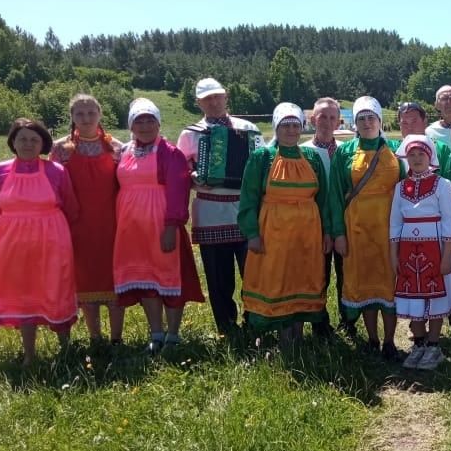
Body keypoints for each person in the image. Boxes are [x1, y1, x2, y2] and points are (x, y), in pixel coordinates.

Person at [0, 118, 79, 367]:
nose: (28, 144)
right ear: (13, 142)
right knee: (24, 294)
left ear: (43, 143)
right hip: (13, 243)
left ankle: (66, 348)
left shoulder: (57, 171)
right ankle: (29, 355)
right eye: (22, 139)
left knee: (56, 290)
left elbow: (71, 208)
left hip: (52, 240)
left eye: (34, 140)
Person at [114, 99, 204, 353]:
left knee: (168, 275)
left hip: (161, 222)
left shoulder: (169, 153)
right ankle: (156, 332)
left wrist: (171, 226)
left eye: (149, 120)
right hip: (131, 227)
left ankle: (173, 335)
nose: (144, 126)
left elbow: (178, 191)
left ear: (158, 122)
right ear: (131, 125)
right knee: (145, 279)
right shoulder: (124, 151)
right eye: (138, 121)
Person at [239, 103, 330, 349]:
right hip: (273, 231)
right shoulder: (262, 158)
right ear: (276, 128)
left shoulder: (312, 157)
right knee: (276, 280)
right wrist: (252, 233)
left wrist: (327, 232)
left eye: (295, 125)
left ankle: (297, 337)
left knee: (301, 278)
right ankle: (280, 337)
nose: (291, 130)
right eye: (285, 125)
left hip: (307, 232)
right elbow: (248, 197)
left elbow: (323, 201)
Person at [177, 77, 262, 336]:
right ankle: (227, 327)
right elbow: (181, 170)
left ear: (226, 97)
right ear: (198, 103)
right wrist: (194, 176)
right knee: (218, 278)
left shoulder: (248, 128)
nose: (213, 102)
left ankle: (255, 321)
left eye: (217, 96)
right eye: (207, 98)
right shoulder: (191, 133)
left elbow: (260, 163)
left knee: (254, 273)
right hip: (211, 212)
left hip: (244, 211)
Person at [327, 96, 405, 361]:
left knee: (388, 284)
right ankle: (372, 339)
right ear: (354, 123)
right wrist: (338, 233)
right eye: (361, 118)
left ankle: (390, 342)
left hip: (390, 229)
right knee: (366, 284)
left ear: (380, 121)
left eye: (371, 117)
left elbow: (408, 187)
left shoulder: (396, 148)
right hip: (357, 228)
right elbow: (335, 196)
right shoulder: (345, 152)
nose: (367, 122)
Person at [50, 94, 125, 345]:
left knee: (113, 279)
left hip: (111, 223)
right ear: (71, 117)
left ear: (100, 114)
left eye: (91, 113)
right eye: (80, 114)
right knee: (86, 281)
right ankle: (96, 338)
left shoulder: (117, 147)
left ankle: (116, 339)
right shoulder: (60, 149)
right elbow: (54, 187)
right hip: (76, 224)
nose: (86, 118)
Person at [389, 134, 451, 370]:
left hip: (436, 248)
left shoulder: (442, 184)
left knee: (435, 296)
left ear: (430, 157)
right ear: (406, 157)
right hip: (409, 250)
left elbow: (449, 221)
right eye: (412, 154)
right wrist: (393, 254)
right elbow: (395, 223)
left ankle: (434, 345)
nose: (417, 158)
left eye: (421, 154)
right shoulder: (400, 187)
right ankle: (419, 344)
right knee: (414, 299)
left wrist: (446, 255)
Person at [302, 96, 349, 338]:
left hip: (344, 224)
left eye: (333, 118)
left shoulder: (347, 152)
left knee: (346, 273)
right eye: (322, 116)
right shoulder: (302, 153)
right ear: (312, 119)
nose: (327, 122)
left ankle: (348, 320)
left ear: (339, 122)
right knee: (317, 274)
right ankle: (319, 321)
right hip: (314, 225)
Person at [398, 101, 451, 182]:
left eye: (414, 122)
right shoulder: (393, 151)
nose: (410, 127)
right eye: (404, 123)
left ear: (425, 122)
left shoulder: (441, 149)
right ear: (399, 125)